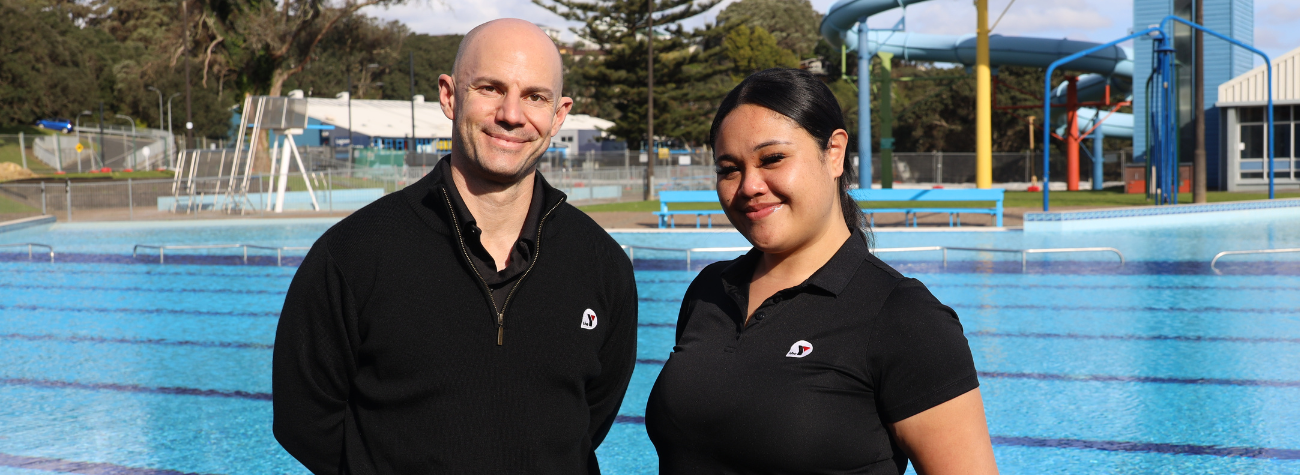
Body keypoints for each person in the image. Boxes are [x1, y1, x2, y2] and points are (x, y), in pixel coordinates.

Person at [272, 19, 638, 474]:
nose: (511, 114)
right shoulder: (354, 253)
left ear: (559, 114)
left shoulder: (601, 263)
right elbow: (302, 421)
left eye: (535, 97)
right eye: (490, 88)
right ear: (449, 95)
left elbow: (590, 418)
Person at [644, 68, 997, 474]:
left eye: (772, 159)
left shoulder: (904, 316)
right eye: (729, 169)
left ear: (834, 152)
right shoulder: (710, 291)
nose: (749, 186)